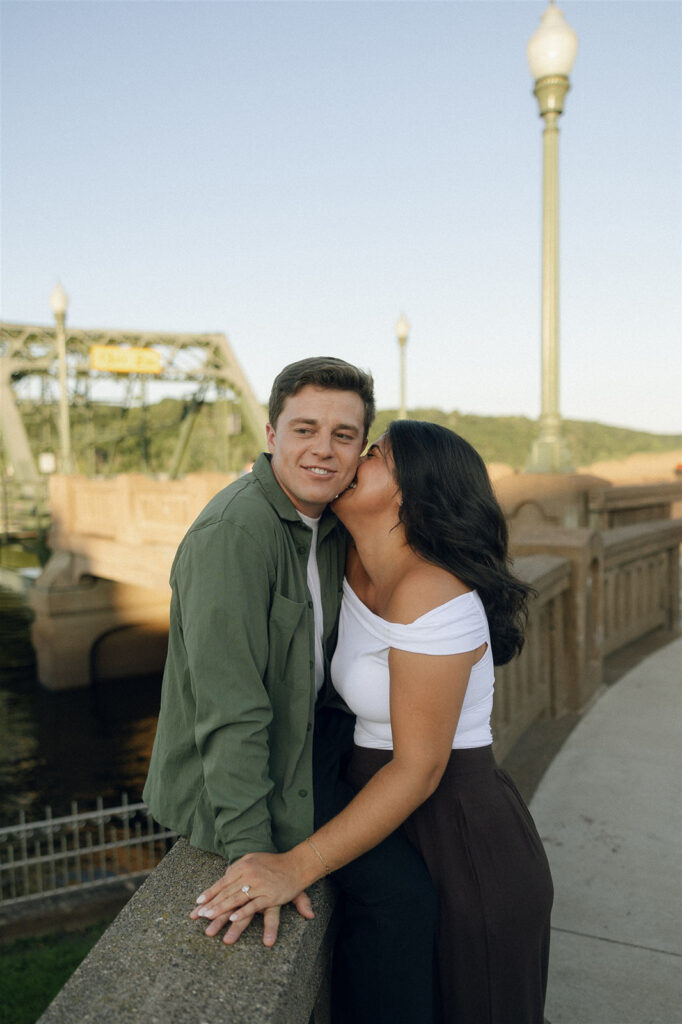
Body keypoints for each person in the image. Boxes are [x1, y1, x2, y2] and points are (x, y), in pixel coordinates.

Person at [193, 419, 554, 1024]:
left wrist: (295, 866)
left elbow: (419, 768)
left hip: (461, 839)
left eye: (375, 453)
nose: (354, 457)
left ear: (410, 492)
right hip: (386, 815)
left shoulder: (432, 592)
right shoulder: (353, 564)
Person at [144, 360, 437, 1024]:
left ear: (361, 450)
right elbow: (230, 710)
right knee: (401, 898)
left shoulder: (332, 523)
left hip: (315, 751)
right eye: (305, 429)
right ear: (272, 432)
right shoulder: (234, 536)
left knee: (422, 867)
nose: (322, 450)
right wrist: (254, 854)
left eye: (343, 435)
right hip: (249, 778)